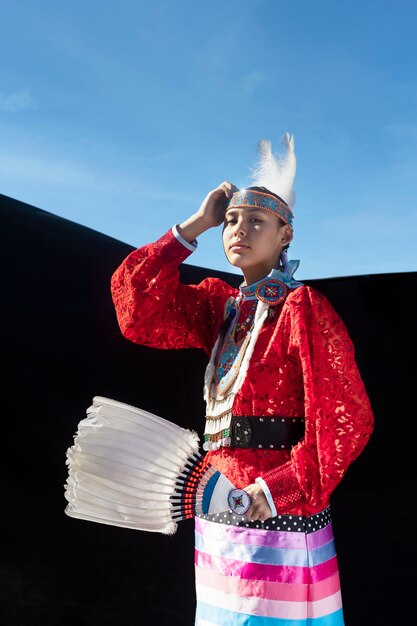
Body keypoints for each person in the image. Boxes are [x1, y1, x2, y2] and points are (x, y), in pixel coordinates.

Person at [110, 133, 374, 625]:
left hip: (279, 508)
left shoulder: (302, 309)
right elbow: (137, 309)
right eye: (231, 220)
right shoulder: (219, 308)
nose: (238, 230)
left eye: (256, 221)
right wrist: (193, 227)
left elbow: (347, 421)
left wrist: (279, 489)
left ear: (285, 235)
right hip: (218, 514)